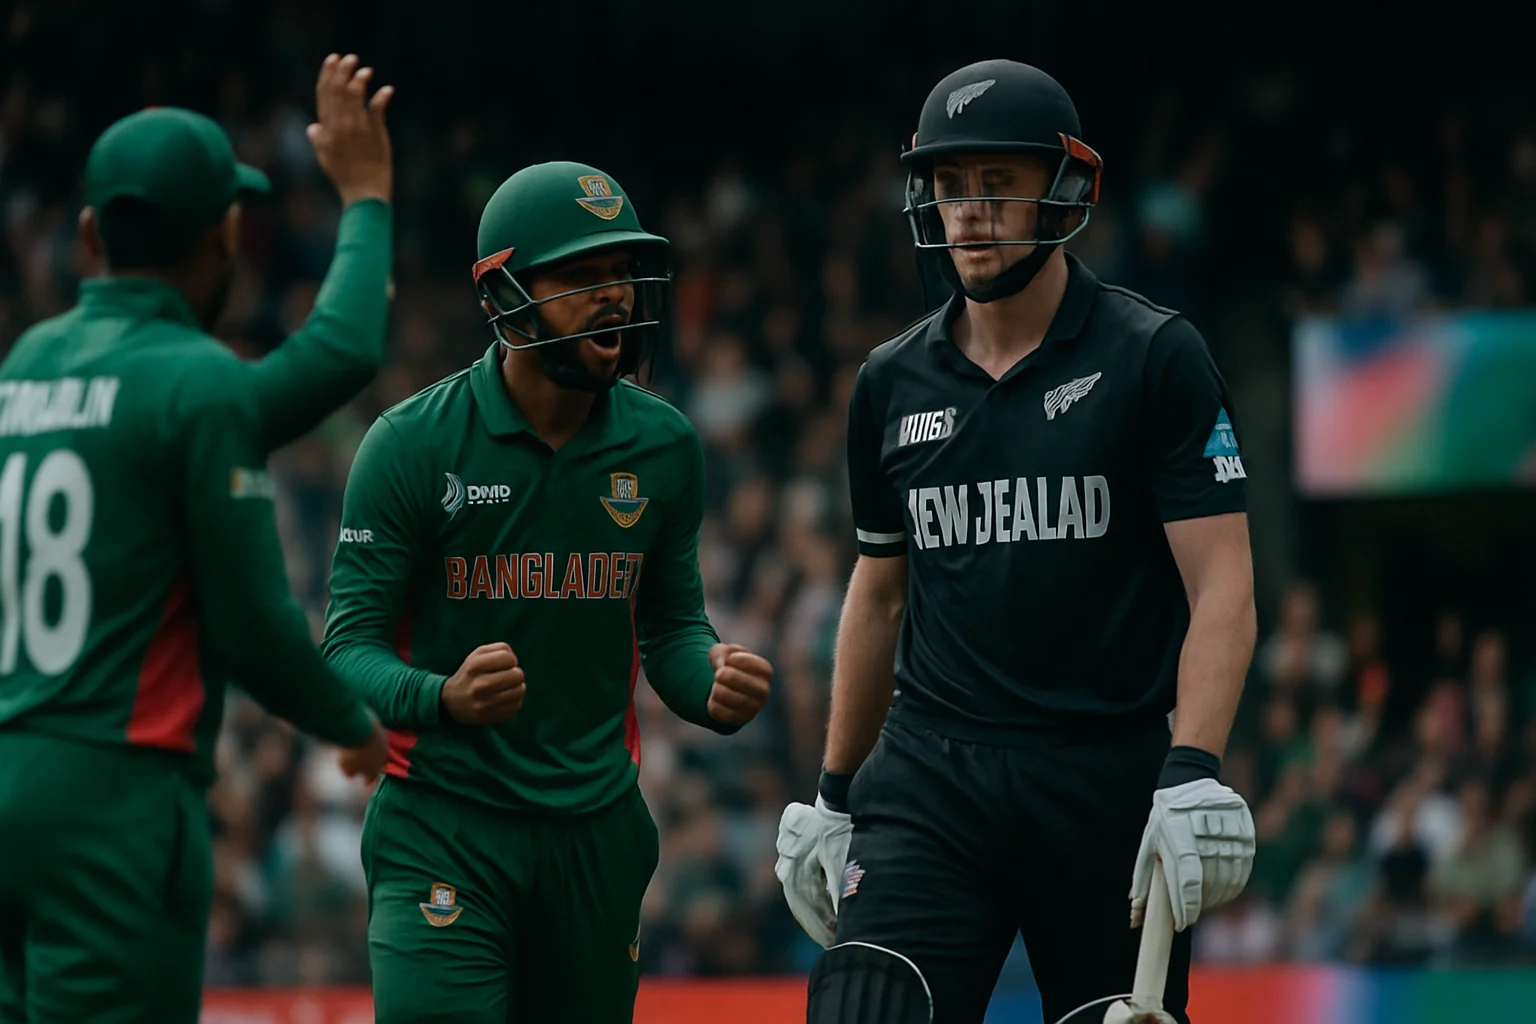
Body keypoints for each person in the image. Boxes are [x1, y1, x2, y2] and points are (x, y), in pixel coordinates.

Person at [776, 60, 1258, 1024]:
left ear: (1065, 189)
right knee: (863, 1006)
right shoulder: (887, 382)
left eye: (997, 183)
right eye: (950, 185)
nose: (969, 211)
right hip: (931, 773)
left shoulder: (1155, 356)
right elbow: (880, 592)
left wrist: (1193, 767)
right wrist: (833, 791)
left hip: (1103, 776)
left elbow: (1223, 586)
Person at [322, 160, 774, 1024]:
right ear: (504, 295)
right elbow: (345, 650)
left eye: (622, 273)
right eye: (580, 276)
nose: (614, 297)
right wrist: (441, 698)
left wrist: (710, 681)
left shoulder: (665, 445)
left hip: (594, 831)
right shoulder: (411, 445)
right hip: (442, 824)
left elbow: (672, 627)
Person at [0, 54, 396, 1024]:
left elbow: (320, 364)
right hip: (116, 794)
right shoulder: (198, 381)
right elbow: (252, 625)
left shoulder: (28, 362)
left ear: (89, 235)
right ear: (227, 236)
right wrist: (350, 722)